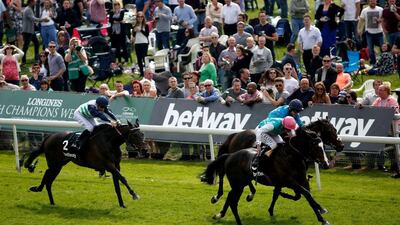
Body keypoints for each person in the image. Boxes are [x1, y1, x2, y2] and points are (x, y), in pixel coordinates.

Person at [359, 0, 384, 65]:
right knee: (370, 50)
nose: (372, 2)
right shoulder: (364, 10)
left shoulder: (380, 9)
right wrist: (359, 30)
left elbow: (383, 19)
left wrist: (380, 20)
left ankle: (383, 62)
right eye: (370, 1)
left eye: (373, 1)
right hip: (369, 33)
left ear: (376, 1)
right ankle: (373, 63)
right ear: (368, 2)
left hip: (379, 32)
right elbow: (361, 20)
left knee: (383, 48)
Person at [132, 11, 149, 76]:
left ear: (143, 17)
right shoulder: (135, 25)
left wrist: (141, 30)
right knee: (139, 58)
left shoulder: (146, 25)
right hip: (137, 43)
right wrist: (134, 31)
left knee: (144, 57)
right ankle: (141, 72)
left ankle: (147, 71)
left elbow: (147, 34)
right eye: (138, 17)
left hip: (144, 42)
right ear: (137, 18)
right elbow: (133, 35)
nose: (140, 18)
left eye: (141, 17)